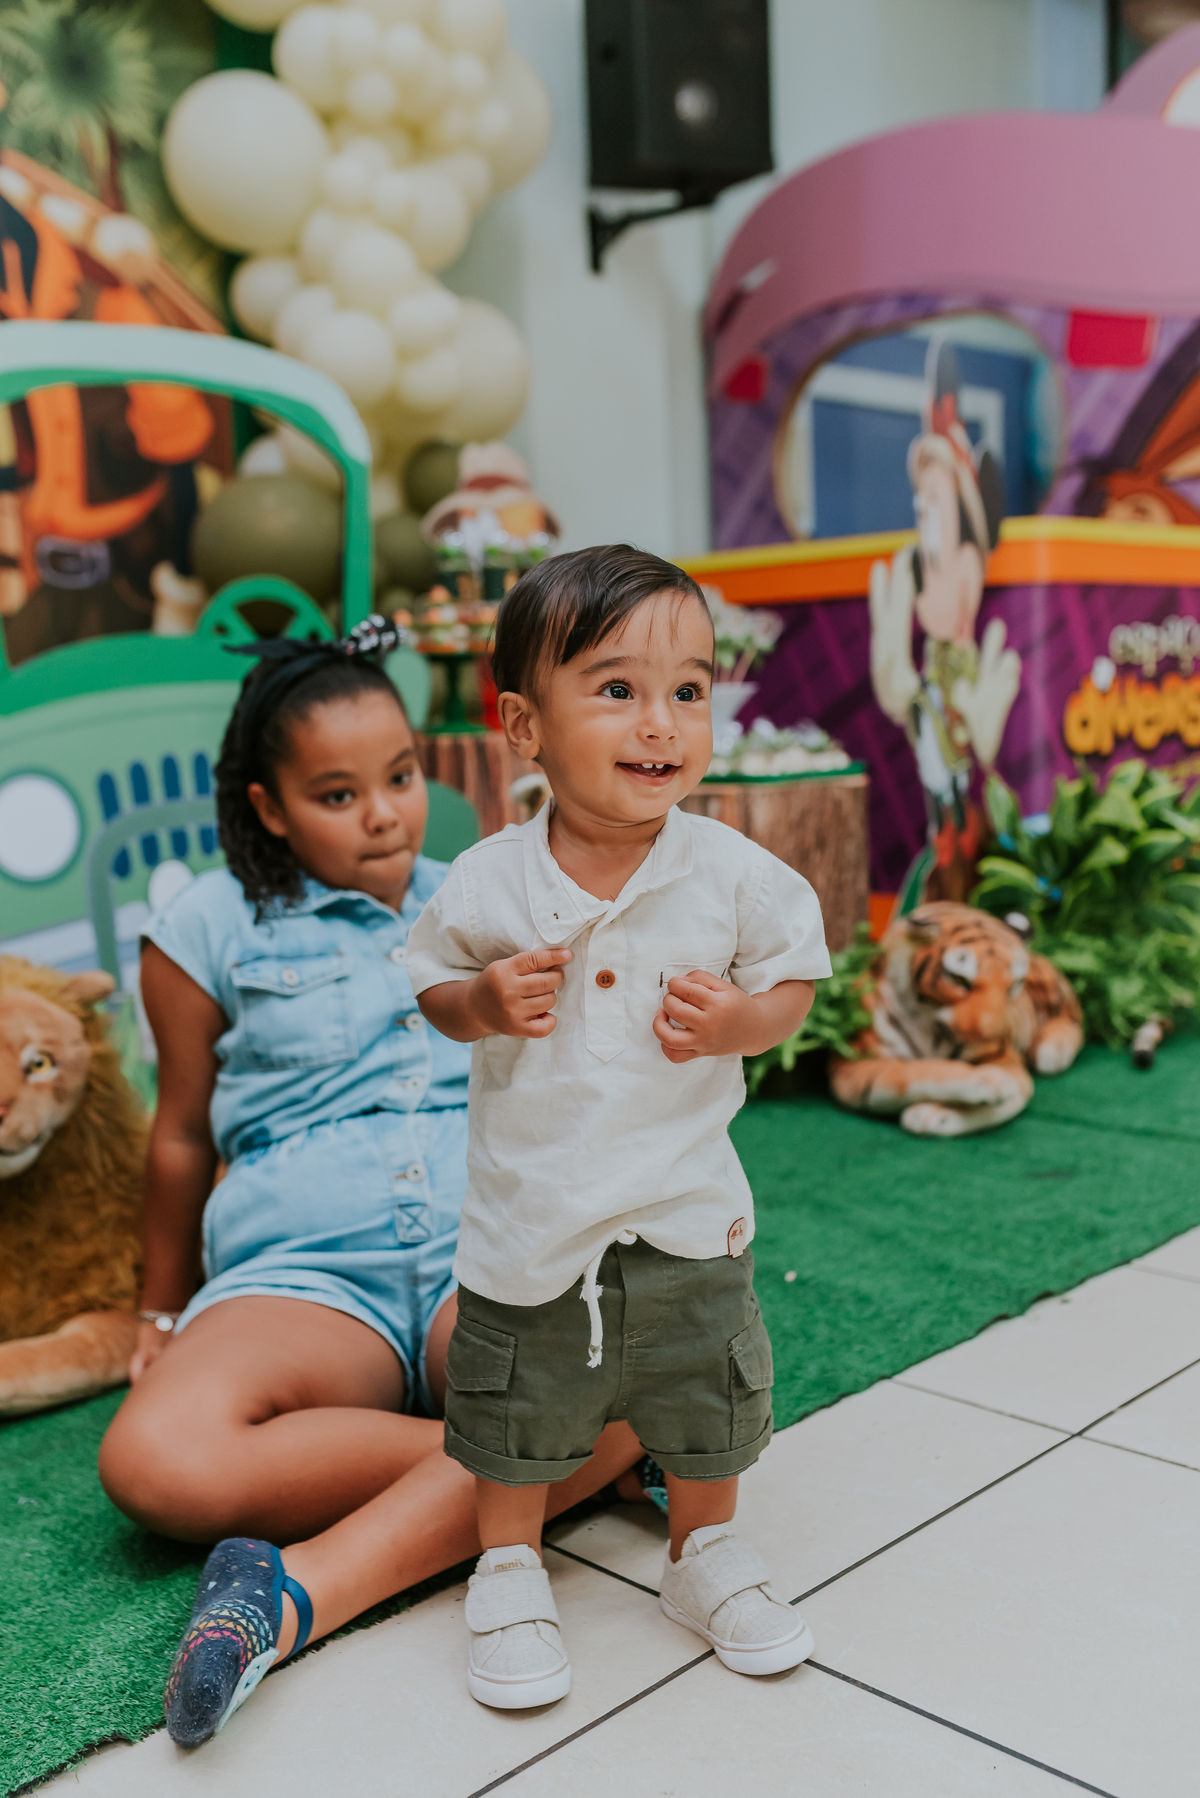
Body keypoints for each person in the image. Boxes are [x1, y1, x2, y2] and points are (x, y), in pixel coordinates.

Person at [97, 615, 642, 1747]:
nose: (385, 811)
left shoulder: (486, 894)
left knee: (635, 1362)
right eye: (337, 795)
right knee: (154, 1460)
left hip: (479, 1238)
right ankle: (562, 1466)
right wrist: (160, 1306)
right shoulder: (202, 925)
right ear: (267, 805)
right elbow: (182, 1134)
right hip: (302, 1268)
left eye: (398, 776)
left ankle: (288, 1596)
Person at [406, 546, 832, 1710]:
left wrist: (745, 1018)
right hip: (535, 1220)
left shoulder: (732, 875)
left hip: (689, 1208)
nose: (662, 723)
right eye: (616, 688)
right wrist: (483, 1002)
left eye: (688, 690)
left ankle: (703, 1553)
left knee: (707, 1395)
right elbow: (435, 986)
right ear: (523, 726)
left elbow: (796, 980)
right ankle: (506, 1563)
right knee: (514, 1404)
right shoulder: (491, 881)